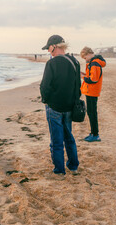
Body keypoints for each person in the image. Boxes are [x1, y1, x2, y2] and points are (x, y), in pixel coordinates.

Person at [40, 34, 80, 176]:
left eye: (49, 48)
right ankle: (73, 167)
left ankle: (59, 171)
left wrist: (45, 100)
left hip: (54, 107)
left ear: (54, 46)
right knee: (69, 137)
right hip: (69, 107)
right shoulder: (74, 61)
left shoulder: (51, 63)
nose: (48, 51)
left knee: (56, 141)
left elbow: (45, 86)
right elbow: (77, 87)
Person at [80, 47, 106, 142]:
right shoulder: (94, 62)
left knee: (92, 113)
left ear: (88, 54)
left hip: (92, 91)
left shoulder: (94, 63)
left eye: (84, 57)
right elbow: (91, 76)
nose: (85, 60)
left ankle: (95, 134)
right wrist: (84, 74)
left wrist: (83, 77)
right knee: (91, 112)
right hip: (91, 91)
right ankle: (93, 133)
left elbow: (93, 80)